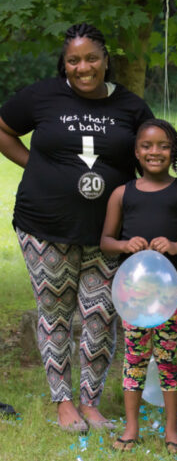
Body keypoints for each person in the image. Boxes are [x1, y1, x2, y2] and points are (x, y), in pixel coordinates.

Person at [0, 23, 153, 432]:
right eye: (73, 60)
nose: (83, 67)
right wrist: (36, 166)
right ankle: (63, 402)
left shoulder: (131, 106)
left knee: (102, 313)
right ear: (63, 64)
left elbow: (150, 155)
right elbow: (4, 128)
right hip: (44, 225)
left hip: (109, 231)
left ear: (106, 60)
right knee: (55, 314)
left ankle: (91, 402)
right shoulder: (42, 96)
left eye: (91, 58)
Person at [100, 118, 177, 453]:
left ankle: (172, 431)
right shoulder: (122, 193)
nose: (154, 151)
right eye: (146, 146)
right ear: (136, 151)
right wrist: (124, 245)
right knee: (134, 357)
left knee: (167, 357)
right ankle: (131, 429)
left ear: (173, 150)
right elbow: (105, 240)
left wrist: (175, 247)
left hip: (173, 293)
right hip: (134, 294)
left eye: (162, 145)